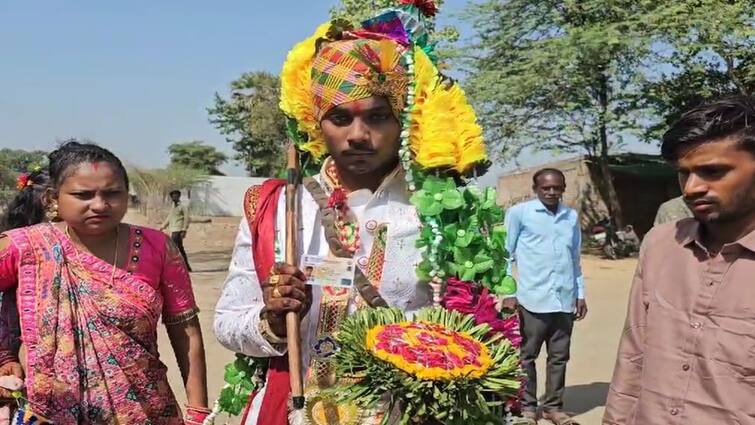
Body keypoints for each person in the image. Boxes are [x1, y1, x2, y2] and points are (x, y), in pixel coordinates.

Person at [213, 2, 500, 424]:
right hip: (295, 408)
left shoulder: (443, 214)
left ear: (403, 119)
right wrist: (272, 320)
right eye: (340, 118)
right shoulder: (278, 208)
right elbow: (226, 324)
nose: (358, 135)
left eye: (378, 117)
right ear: (315, 123)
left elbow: (483, 335)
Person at [0, 141, 209, 424]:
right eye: (83, 194)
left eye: (112, 193)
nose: (99, 205)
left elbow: (185, 330)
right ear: (52, 199)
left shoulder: (158, 247)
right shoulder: (26, 246)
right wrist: (3, 357)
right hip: (49, 413)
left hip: (146, 411)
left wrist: (198, 412)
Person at [603, 95, 755, 425]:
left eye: (713, 172)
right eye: (683, 174)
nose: (692, 188)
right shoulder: (661, 244)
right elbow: (633, 356)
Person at [504, 168, 587, 425]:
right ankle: (528, 408)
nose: (551, 192)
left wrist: (580, 293)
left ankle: (553, 408)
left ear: (563, 188)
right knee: (527, 356)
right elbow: (506, 254)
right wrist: (509, 292)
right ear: (535, 189)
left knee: (559, 356)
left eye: (557, 188)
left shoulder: (570, 217)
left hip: (563, 299)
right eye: (546, 188)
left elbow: (574, 257)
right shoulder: (520, 214)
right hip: (532, 298)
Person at [160, 189, 192, 272]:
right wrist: (162, 227)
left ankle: (174, 267)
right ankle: (186, 267)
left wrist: (184, 230)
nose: (174, 197)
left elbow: (187, 218)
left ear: (179, 196)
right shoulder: (173, 206)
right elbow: (169, 217)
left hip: (178, 230)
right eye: (172, 196)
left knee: (172, 248)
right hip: (173, 229)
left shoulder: (183, 206)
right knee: (180, 248)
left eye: (175, 195)